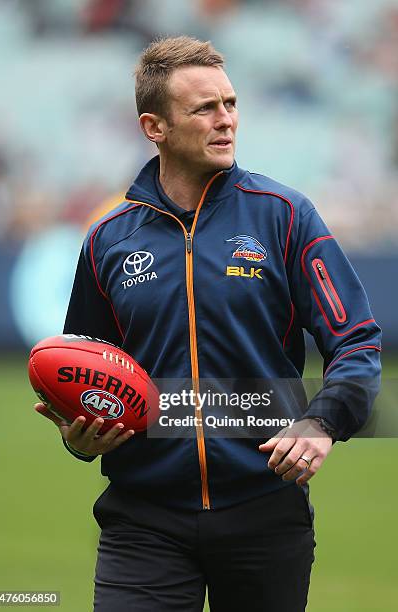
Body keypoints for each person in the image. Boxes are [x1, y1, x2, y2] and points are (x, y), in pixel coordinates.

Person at [35, 36, 382, 612]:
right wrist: (81, 438)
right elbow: (89, 370)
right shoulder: (108, 240)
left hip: (265, 512)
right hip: (143, 520)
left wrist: (323, 422)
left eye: (230, 103)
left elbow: (356, 340)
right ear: (155, 126)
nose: (226, 121)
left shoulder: (286, 216)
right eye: (204, 108)